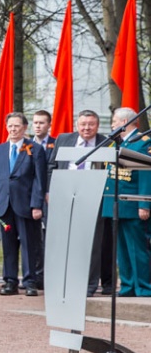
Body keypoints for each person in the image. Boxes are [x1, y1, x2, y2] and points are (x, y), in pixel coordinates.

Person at [46, 109, 110, 296]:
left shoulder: (106, 142)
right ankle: (66, 283)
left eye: (91, 124)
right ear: (77, 125)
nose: (87, 128)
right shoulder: (63, 139)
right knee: (66, 243)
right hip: (66, 196)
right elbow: (51, 166)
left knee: (92, 243)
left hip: (93, 198)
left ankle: (89, 285)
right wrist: (51, 191)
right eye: (83, 124)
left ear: (97, 126)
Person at [0, 112, 47, 297]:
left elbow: (39, 179)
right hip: (4, 205)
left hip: (26, 204)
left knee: (29, 244)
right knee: (8, 244)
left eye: (17, 126)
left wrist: (37, 205)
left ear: (24, 128)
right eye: (10, 126)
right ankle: (10, 281)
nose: (13, 129)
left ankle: (30, 282)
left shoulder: (35, 149)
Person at [100, 108, 151, 296]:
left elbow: (146, 175)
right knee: (121, 248)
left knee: (137, 248)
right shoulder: (116, 143)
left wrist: (144, 204)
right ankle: (128, 286)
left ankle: (143, 287)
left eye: (114, 121)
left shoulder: (143, 143)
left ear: (124, 122)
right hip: (116, 202)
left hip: (134, 203)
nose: (112, 125)